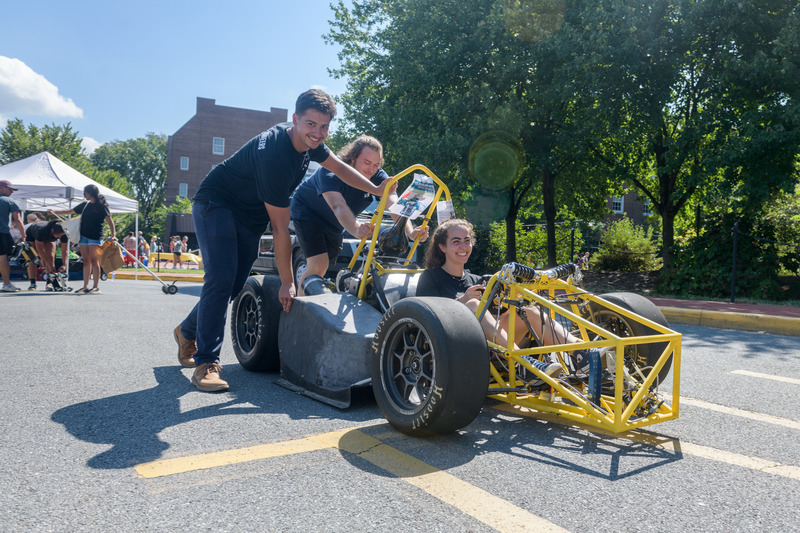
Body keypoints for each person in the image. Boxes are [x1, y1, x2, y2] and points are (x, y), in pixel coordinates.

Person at [174, 89, 391, 392]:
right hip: (217, 204)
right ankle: (206, 361)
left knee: (235, 285)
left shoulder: (310, 145)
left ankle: (187, 331)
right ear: (296, 120)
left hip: (249, 216)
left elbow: (341, 168)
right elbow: (280, 229)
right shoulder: (276, 157)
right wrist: (288, 281)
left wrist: (376, 189)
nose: (318, 133)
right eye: (312, 124)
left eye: (324, 126)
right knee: (221, 279)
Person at [415, 219, 606, 383]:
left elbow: (492, 316)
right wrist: (462, 300)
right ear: (442, 247)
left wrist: (508, 301)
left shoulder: (477, 279)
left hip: (489, 344)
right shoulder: (430, 277)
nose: (463, 247)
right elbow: (425, 317)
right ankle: (523, 363)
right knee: (473, 305)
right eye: (456, 242)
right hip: (452, 346)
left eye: (467, 240)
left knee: (527, 310)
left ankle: (582, 355)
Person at [290, 135, 428, 295]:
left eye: (376, 164)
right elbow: (338, 205)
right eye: (367, 162)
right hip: (308, 212)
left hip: (334, 223)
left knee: (326, 266)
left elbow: (393, 205)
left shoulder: (378, 176)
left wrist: (409, 232)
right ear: (353, 158)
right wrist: (356, 229)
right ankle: (301, 309)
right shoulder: (331, 170)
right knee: (319, 264)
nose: (371, 169)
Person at [49, 184, 116, 294]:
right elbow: (71, 211)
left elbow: (109, 220)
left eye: (85, 193)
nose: (84, 195)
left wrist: (113, 234)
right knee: (86, 260)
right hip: (83, 236)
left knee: (94, 260)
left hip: (95, 236)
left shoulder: (102, 205)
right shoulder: (85, 205)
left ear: (89, 193)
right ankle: (85, 286)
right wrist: (55, 211)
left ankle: (95, 287)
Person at [26, 220, 69, 291]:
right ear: (52, 230)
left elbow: (64, 250)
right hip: (32, 235)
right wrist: (48, 264)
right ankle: (32, 283)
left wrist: (64, 264)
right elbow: (40, 251)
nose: (59, 237)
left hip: (49, 238)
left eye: (61, 235)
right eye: (58, 235)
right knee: (33, 258)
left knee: (51, 257)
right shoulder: (41, 231)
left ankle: (49, 282)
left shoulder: (64, 233)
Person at [0, 179, 26, 292]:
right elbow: (18, 219)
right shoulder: (9, 201)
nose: (12, 192)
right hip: (2, 233)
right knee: (3, 257)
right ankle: (6, 284)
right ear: (1, 188)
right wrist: (23, 235)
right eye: (9, 189)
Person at [22, 213, 45, 290]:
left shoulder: (25, 226)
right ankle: (49, 282)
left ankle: (33, 283)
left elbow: (22, 237)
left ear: (28, 220)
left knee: (32, 260)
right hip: (32, 237)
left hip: (34, 238)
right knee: (46, 259)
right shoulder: (31, 226)